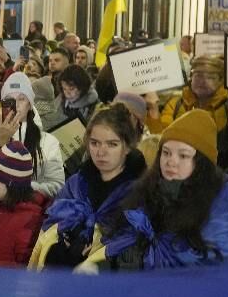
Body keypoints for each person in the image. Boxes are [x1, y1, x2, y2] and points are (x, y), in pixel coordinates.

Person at [92, 109, 228, 270]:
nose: (171, 161)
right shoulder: (147, 190)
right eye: (166, 153)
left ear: (202, 163)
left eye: (183, 156)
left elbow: (222, 262)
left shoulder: (224, 204)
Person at [30, 104, 146, 269]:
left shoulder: (138, 195)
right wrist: (58, 251)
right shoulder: (75, 184)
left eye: (112, 144)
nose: (101, 152)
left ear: (127, 147)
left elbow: (135, 250)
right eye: (95, 143)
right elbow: (49, 229)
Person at [0, 73, 65, 199]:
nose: (16, 105)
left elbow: (57, 185)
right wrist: (0, 144)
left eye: (22, 99)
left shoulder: (48, 142)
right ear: (2, 104)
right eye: (9, 100)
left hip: (31, 215)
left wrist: (21, 187)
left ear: (30, 105)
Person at [146, 55, 228, 134]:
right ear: (191, 78)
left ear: (220, 81)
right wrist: (153, 109)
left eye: (209, 77)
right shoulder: (176, 104)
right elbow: (161, 140)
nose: (202, 81)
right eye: (197, 75)